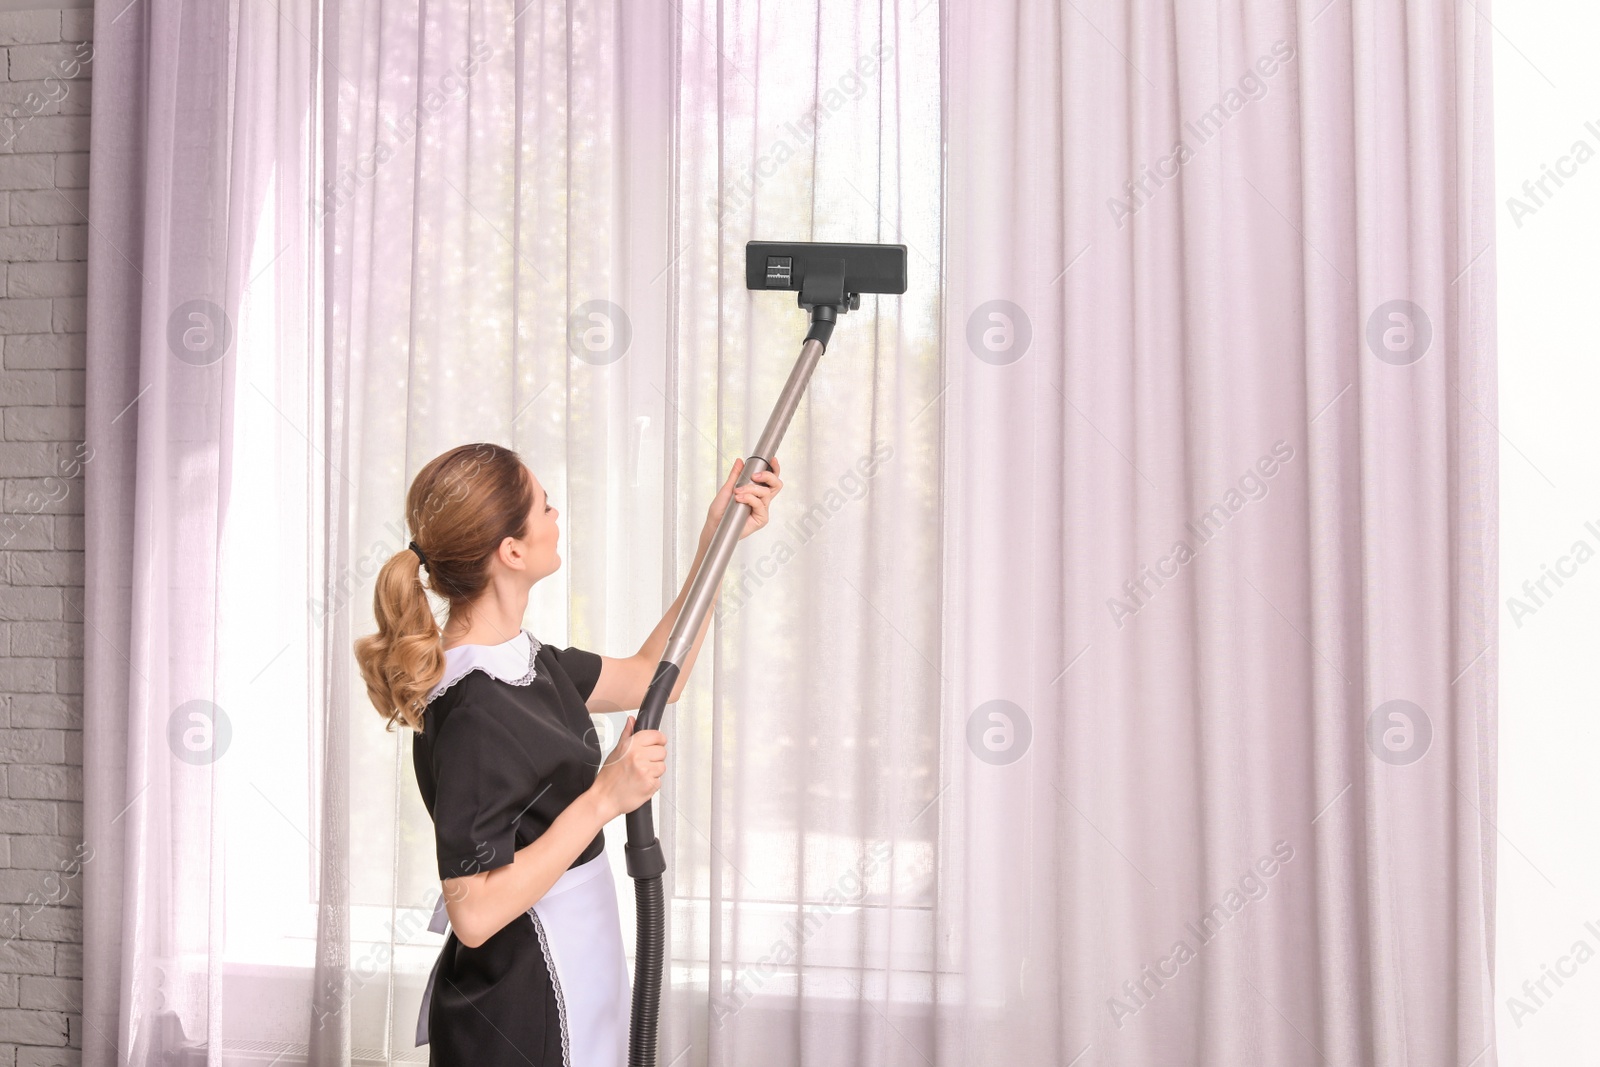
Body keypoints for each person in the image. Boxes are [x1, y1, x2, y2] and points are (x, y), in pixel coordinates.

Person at [353, 441, 781, 1066]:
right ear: (512, 551)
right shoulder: (472, 703)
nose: (559, 517)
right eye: (546, 507)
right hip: (523, 1007)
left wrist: (716, 543)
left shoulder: (527, 663)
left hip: (577, 965)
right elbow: (472, 914)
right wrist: (603, 799)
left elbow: (652, 677)